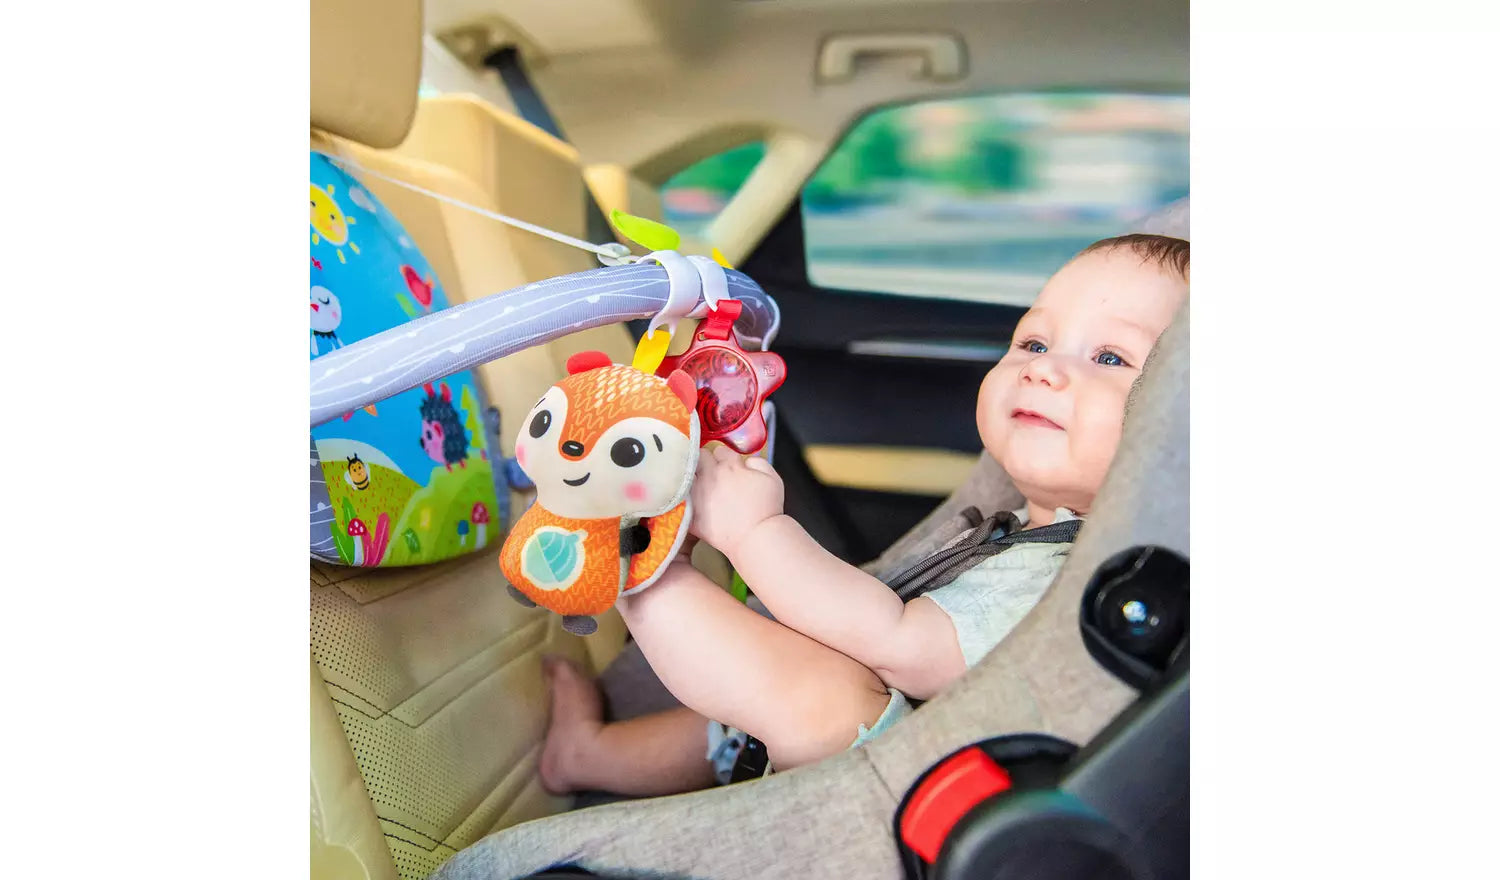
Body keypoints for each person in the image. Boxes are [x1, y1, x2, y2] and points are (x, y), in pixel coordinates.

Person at [537, 234, 1190, 796]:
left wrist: (751, 532)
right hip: (874, 747)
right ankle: (587, 756)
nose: (1044, 371)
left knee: (821, 695)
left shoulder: (1082, 578)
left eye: (1110, 358)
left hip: (904, 791)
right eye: (1032, 342)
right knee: (778, 672)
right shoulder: (1026, 528)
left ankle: (630, 558)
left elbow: (902, 644)